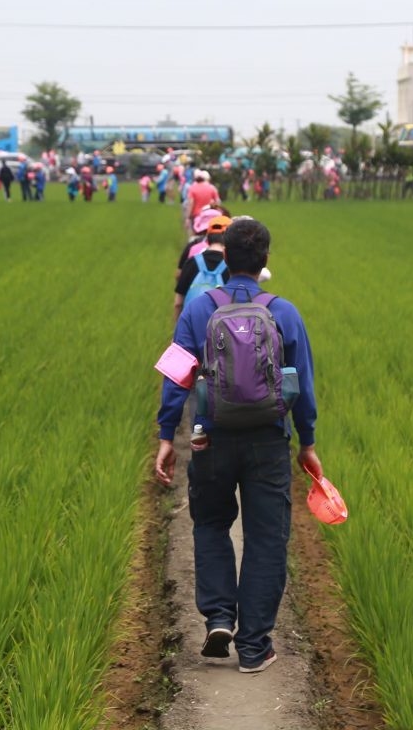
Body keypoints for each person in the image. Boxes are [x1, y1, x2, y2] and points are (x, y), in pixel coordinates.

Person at [154, 217, 322, 675]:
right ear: (265, 259)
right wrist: (307, 442)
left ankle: (219, 617)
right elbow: (302, 385)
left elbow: (176, 375)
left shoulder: (198, 309)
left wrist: (168, 435)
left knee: (210, 524)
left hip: (210, 437)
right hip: (268, 441)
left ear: (223, 256)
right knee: (268, 538)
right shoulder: (284, 313)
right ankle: (253, 647)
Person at [173, 214, 231, 322]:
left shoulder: (192, 262)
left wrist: (177, 332)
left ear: (208, 238)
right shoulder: (233, 266)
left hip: (191, 326)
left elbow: (178, 303)